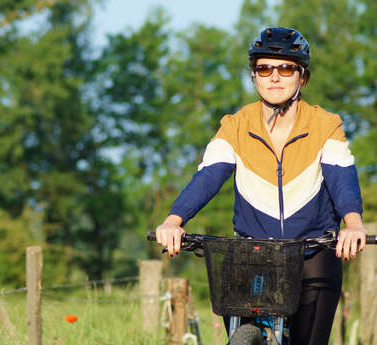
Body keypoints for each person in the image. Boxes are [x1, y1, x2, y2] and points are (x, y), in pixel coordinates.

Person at [155, 27, 367, 345]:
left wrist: (353, 224)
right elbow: (208, 177)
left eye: (286, 68)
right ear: (254, 76)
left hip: (313, 252)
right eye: (264, 68)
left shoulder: (325, 125)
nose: (275, 77)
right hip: (252, 255)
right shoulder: (236, 126)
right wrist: (174, 221)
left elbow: (342, 180)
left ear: (302, 77)